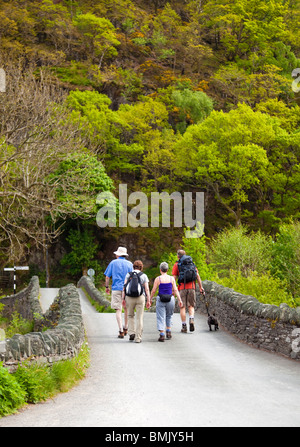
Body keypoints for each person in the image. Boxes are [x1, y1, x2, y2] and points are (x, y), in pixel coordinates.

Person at [172, 249, 204, 333]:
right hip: (192, 287)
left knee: (182, 307)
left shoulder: (177, 264)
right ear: (185, 254)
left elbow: (174, 278)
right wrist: (201, 287)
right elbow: (197, 276)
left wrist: (173, 290)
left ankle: (184, 326)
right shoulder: (191, 264)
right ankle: (191, 319)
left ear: (178, 256)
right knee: (191, 306)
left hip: (182, 287)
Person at [104, 246, 133, 338]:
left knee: (118, 309)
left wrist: (107, 286)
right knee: (127, 309)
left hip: (116, 288)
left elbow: (107, 277)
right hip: (127, 289)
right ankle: (126, 327)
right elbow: (132, 277)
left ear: (118, 255)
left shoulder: (113, 263)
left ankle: (120, 330)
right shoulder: (129, 264)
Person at [150, 262, 183, 342]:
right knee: (169, 315)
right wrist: (179, 299)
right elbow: (175, 290)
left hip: (160, 298)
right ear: (167, 270)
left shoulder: (158, 279)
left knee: (160, 316)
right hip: (170, 298)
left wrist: (150, 299)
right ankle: (168, 331)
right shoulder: (171, 278)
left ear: (160, 270)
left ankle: (162, 334)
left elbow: (154, 290)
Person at [122, 260, 151, 343]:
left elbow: (124, 287)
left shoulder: (128, 274)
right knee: (139, 317)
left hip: (129, 297)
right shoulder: (144, 275)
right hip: (140, 297)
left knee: (130, 315)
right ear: (141, 267)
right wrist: (148, 300)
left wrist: (123, 298)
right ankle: (138, 337)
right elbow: (147, 289)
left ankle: (131, 333)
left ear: (133, 267)